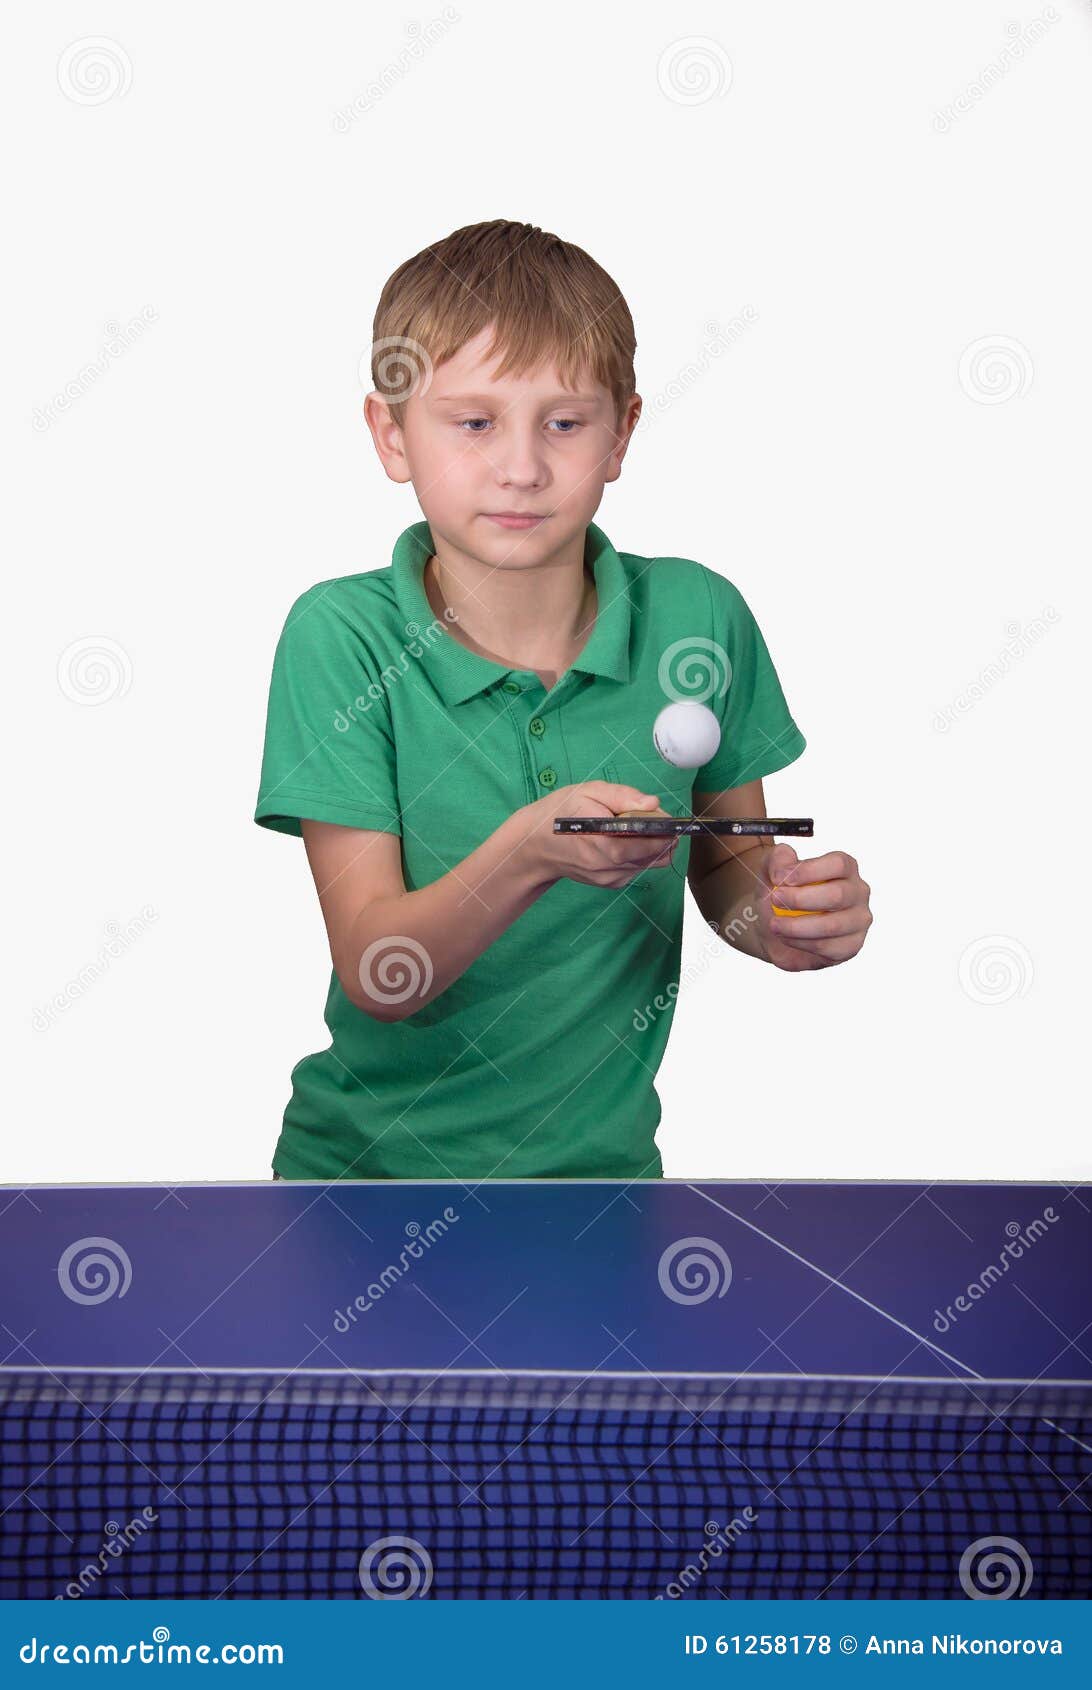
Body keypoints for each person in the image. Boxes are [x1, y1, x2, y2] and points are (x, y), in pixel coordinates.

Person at [254, 220, 873, 1182]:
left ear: (622, 432)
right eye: (473, 422)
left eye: (565, 422)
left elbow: (727, 879)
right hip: (363, 1187)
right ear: (391, 435)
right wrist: (530, 853)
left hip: (602, 1185)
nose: (521, 467)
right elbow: (381, 971)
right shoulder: (343, 638)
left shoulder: (697, 618)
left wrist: (786, 920)